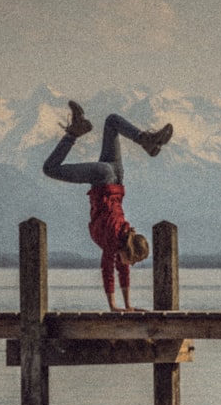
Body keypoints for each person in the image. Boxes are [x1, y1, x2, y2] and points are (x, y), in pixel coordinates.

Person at [42, 101, 173, 312]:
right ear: (128, 252)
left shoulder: (123, 236)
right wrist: (113, 306)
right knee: (50, 168)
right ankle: (73, 133)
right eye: (132, 261)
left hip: (117, 176)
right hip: (103, 179)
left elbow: (121, 270)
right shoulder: (114, 238)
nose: (129, 266)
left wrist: (128, 306)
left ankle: (145, 140)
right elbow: (107, 271)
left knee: (112, 121)